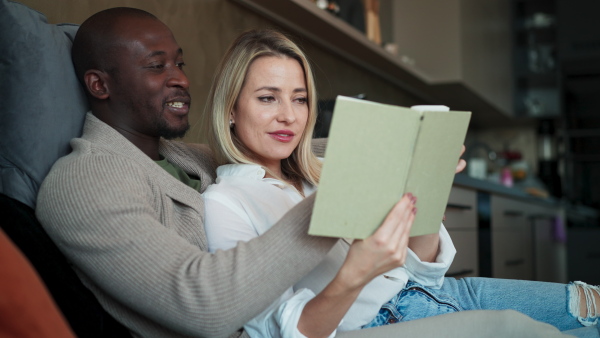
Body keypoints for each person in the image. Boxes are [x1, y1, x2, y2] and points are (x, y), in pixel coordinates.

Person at [34, 6, 578, 338]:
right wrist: (344, 194)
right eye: (158, 67)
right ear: (99, 84)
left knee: (583, 304)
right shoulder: (85, 182)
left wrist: (408, 155)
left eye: (180, 62)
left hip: (410, 296)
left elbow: (285, 144)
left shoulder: (180, 156)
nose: (180, 79)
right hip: (307, 327)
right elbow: (200, 306)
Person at [202, 29, 600, 338]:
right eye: (268, 98)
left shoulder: (325, 169)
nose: (289, 116)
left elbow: (425, 274)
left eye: (300, 99)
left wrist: (427, 196)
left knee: (592, 303)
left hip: (439, 293)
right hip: (384, 320)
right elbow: (275, 330)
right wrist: (355, 274)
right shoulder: (226, 200)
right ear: (231, 109)